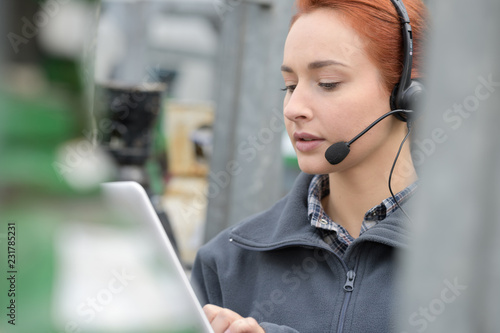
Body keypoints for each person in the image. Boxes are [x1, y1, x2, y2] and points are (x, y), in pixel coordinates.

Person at [191, 0, 428, 332]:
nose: (293, 107)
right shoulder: (228, 261)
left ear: (406, 94)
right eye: (289, 86)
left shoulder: (477, 262)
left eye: (327, 82)